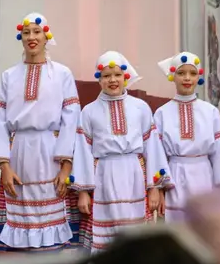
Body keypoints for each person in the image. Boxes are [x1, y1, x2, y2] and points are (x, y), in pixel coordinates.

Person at [0, 13, 81, 252]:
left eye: (37, 32)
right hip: (19, 149)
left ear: (46, 35)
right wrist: (4, 166)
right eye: (27, 32)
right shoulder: (9, 76)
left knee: (52, 223)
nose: (31, 37)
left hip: (50, 150)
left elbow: (71, 119)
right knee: (21, 220)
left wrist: (66, 167)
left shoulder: (62, 74)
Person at [71, 50, 167, 252]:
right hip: (104, 176)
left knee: (136, 234)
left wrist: (155, 187)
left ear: (126, 77)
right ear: (99, 79)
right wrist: (83, 192)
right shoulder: (89, 111)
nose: (112, 80)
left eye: (117, 75)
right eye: (106, 75)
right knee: (107, 236)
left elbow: (153, 148)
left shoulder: (140, 107)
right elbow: (82, 151)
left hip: (134, 175)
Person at [153, 51, 220, 220]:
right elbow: (158, 155)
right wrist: (160, 190)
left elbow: (217, 153)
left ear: (198, 77)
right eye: (181, 73)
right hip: (175, 177)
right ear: (173, 76)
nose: (187, 78)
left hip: (204, 176)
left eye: (192, 73)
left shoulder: (211, 112)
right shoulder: (161, 113)